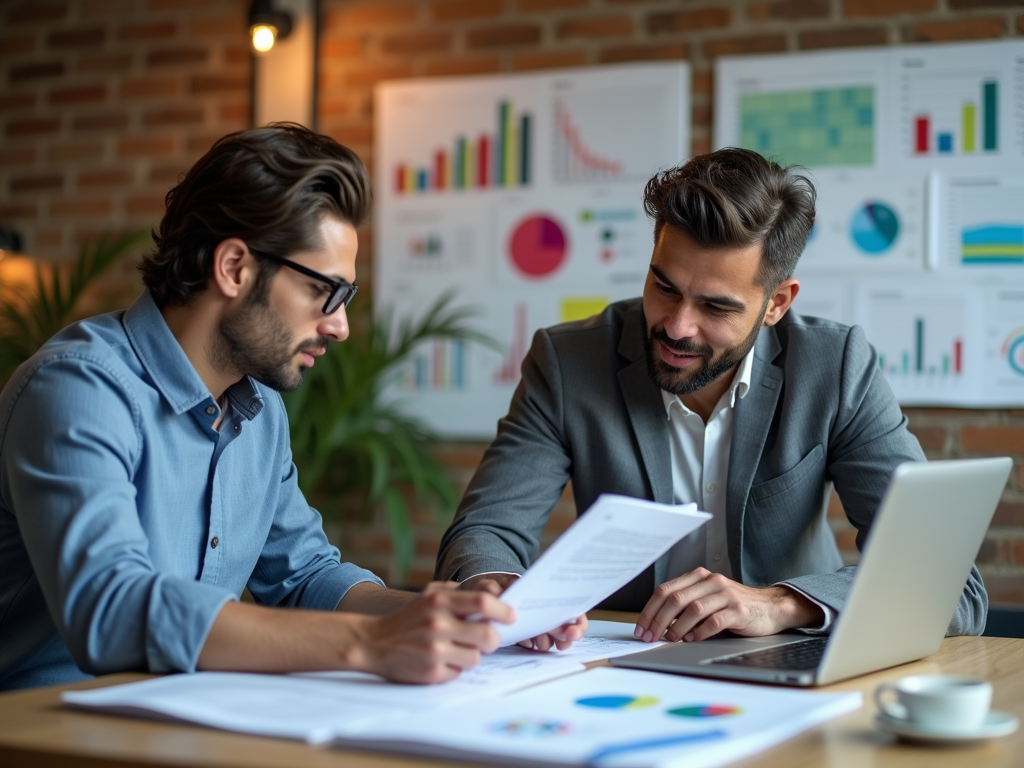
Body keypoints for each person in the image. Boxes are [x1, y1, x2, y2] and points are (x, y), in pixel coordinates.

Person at [0, 124, 513, 691]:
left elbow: (304, 577)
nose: (339, 326)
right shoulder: (79, 388)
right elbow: (110, 608)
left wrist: (459, 614)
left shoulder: (259, 411)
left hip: (178, 719)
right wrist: (369, 645)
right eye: (327, 292)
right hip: (41, 730)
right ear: (234, 268)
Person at [436, 147, 986, 647]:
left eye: (716, 308)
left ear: (777, 303)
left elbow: (950, 584)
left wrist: (780, 604)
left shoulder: (834, 366)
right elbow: (485, 532)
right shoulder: (567, 363)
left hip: (791, 658)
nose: (677, 327)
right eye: (664, 287)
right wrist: (500, 589)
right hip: (626, 661)